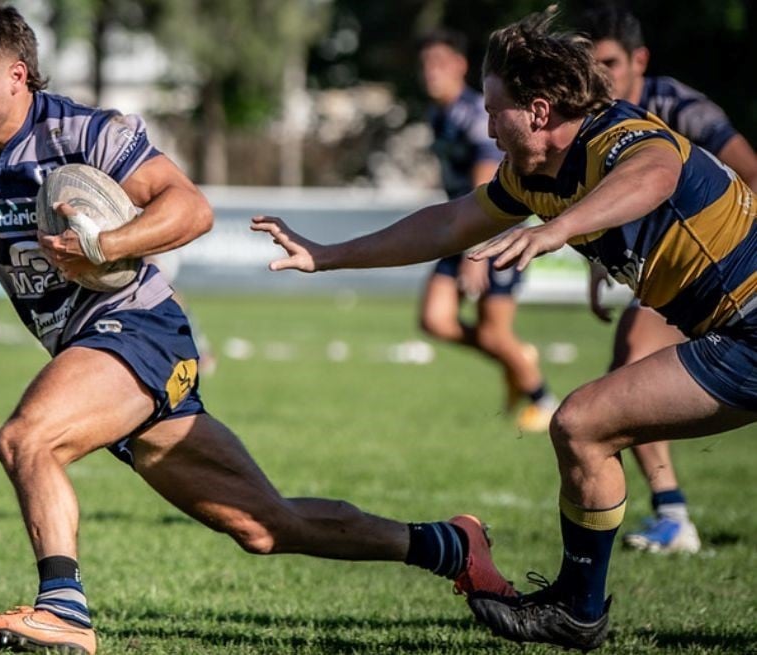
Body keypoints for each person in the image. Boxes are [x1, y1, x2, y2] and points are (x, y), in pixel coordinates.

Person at [0, 4, 514, 653]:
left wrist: (105, 244)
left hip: (139, 329)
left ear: (16, 75)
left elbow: (191, 207)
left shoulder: (84, 132)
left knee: (26, 438)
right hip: (93, 354)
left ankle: (63, 610)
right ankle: (449, 545)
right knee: (265, 525)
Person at [252, 11, 757, 650]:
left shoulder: (620, 134)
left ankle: (579, 609)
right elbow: (446, 225)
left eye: (496, 112)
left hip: (749, 322)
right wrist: (327, 255)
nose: (488, 127)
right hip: (733, 330)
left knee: (583, 422)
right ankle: (578, 608)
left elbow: (655, 174)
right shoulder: (533, 176)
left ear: (539, 111)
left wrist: (560, 229)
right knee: (584, 425)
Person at [576, 5, 757, 555]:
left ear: (640, 60)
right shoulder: (594, 121)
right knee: (626, 368)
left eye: (609, 63)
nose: (600, 77)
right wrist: (603, 263)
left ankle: (672, 515)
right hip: (673, 280)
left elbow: (750, 170)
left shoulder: (678, 107)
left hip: (726, 271)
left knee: (621, 377)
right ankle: (672, 514)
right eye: (590, 65)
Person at [415, 28, 555, 432]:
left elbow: (485, 186)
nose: (431, 72)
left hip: (493, 233)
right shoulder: (437, 114)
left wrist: (476, 252)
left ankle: (543, 400)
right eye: (425, 64)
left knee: (494, 333)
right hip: (459, 230)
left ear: (461, 66)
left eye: (439, 63)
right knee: (434, 319)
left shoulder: (476, 114)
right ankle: (518, 359)